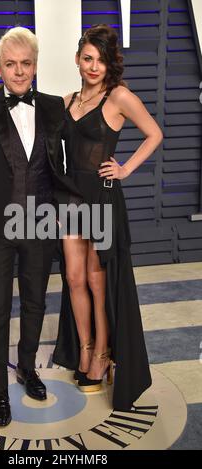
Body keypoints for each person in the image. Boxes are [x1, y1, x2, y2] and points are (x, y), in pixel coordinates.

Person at [0, 27, 74, 427]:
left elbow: (63, 164)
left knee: (36, 302)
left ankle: (27, 368)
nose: (19, 71)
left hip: (41, 221)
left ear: (36, 65)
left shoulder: (55, 106)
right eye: (11, 64)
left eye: (26, 63)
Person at [52, 24, 163, 411]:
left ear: (109, 62)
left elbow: (154, 133)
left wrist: (126, 169)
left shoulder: (118, 97)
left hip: (101, 199)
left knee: (99, 283)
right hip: (69, 200)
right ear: (78, 60)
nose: (93, 66)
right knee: (74, 278)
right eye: (87, 58)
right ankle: (83, 350)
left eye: (100, 60)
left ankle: (102, 355)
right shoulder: (68, 100)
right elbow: (28, 107)